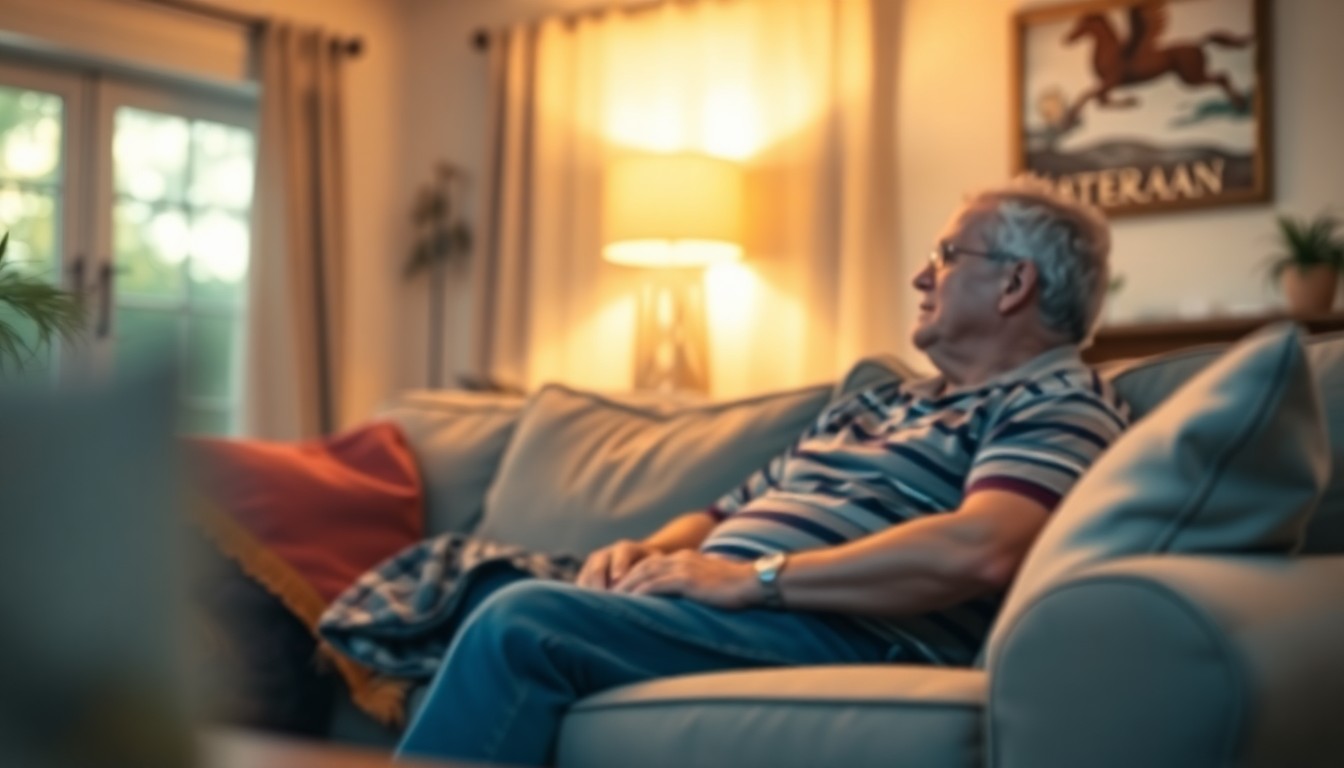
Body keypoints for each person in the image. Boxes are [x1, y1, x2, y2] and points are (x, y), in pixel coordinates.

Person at [396, 181, 1130, 766]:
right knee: (479, 594)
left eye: (945, 255)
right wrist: (650, 551)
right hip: (726, 608)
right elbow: (719, 514)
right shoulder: (877, 401)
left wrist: (759, 578)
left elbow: (983, 547)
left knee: (523, 619)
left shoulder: (1057, 398)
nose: (920, 275)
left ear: (1014, 285)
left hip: (846, 630)